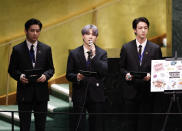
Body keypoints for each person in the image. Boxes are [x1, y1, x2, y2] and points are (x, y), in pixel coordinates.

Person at [8, 18, 54, 131]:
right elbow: (12, 70)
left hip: (41, 94)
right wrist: (20, 76)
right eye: (32, 30)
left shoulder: (46, 49)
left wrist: (46, 76)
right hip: (24, 93)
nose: (35, 33)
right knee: (24, 126)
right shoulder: (17, 49)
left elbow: (51, 69)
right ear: (26, 31)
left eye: (37, 31)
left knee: (41, 126)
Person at [120, 17, 162, 131]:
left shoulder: (155, 48)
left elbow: (159, 71)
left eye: (145, 28)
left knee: (146, 124)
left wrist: (151, 76)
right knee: (130, 124)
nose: (143, 30)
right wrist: (126, 74)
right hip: (130, 92)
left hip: (147, 93)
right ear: (134, 30)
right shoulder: (126, 47)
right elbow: (121, 68)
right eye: (140, 28)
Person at [66, 24, 108, 131]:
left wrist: (94, 56)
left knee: (97, 125)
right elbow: (69, 74)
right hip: (80, 93)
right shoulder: (74, 53)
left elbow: (104, 71)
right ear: (82, 36)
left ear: (96, 37)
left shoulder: (102, 53)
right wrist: (78, 77)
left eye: (93, 35)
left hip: (96, 94)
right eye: (87, 34)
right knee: (79, 125)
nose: (90, 37)